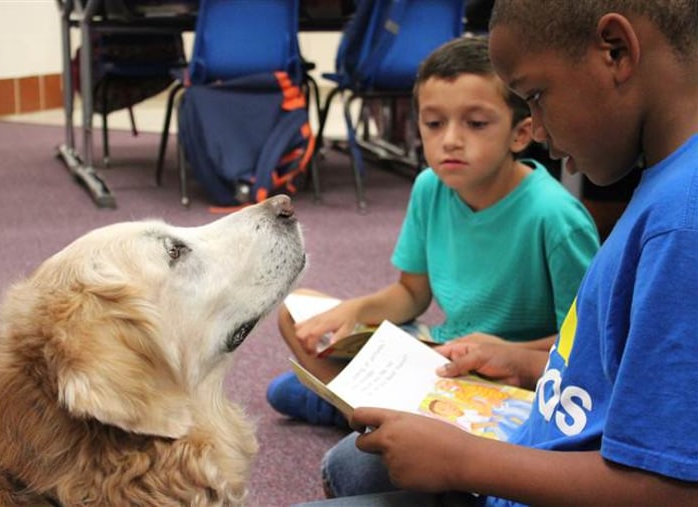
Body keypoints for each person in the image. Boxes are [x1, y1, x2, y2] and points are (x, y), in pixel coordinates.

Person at [293, 0, 698, 505]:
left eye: (536, 96)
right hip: (535, 431)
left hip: (535, 473)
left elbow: (672, 488)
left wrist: (463, 460)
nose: (540, 132)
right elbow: (610, 364)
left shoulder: (682, 223)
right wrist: (525, 365)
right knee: (355, 460)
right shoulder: (666, 185)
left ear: (615, 51)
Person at [267, 35, 600, 427]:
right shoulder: (430, 187)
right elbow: (411, 293)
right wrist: (354, 310)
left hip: (511, 373)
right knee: (297, 308)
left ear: (520, 134)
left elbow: (584, 349)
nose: (451, 140)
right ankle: (360, 411)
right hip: (441, 348)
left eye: (476, 124)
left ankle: (366, 415)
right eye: (434, 123)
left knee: (292, 395)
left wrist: (508, 351)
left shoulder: (556, 217)